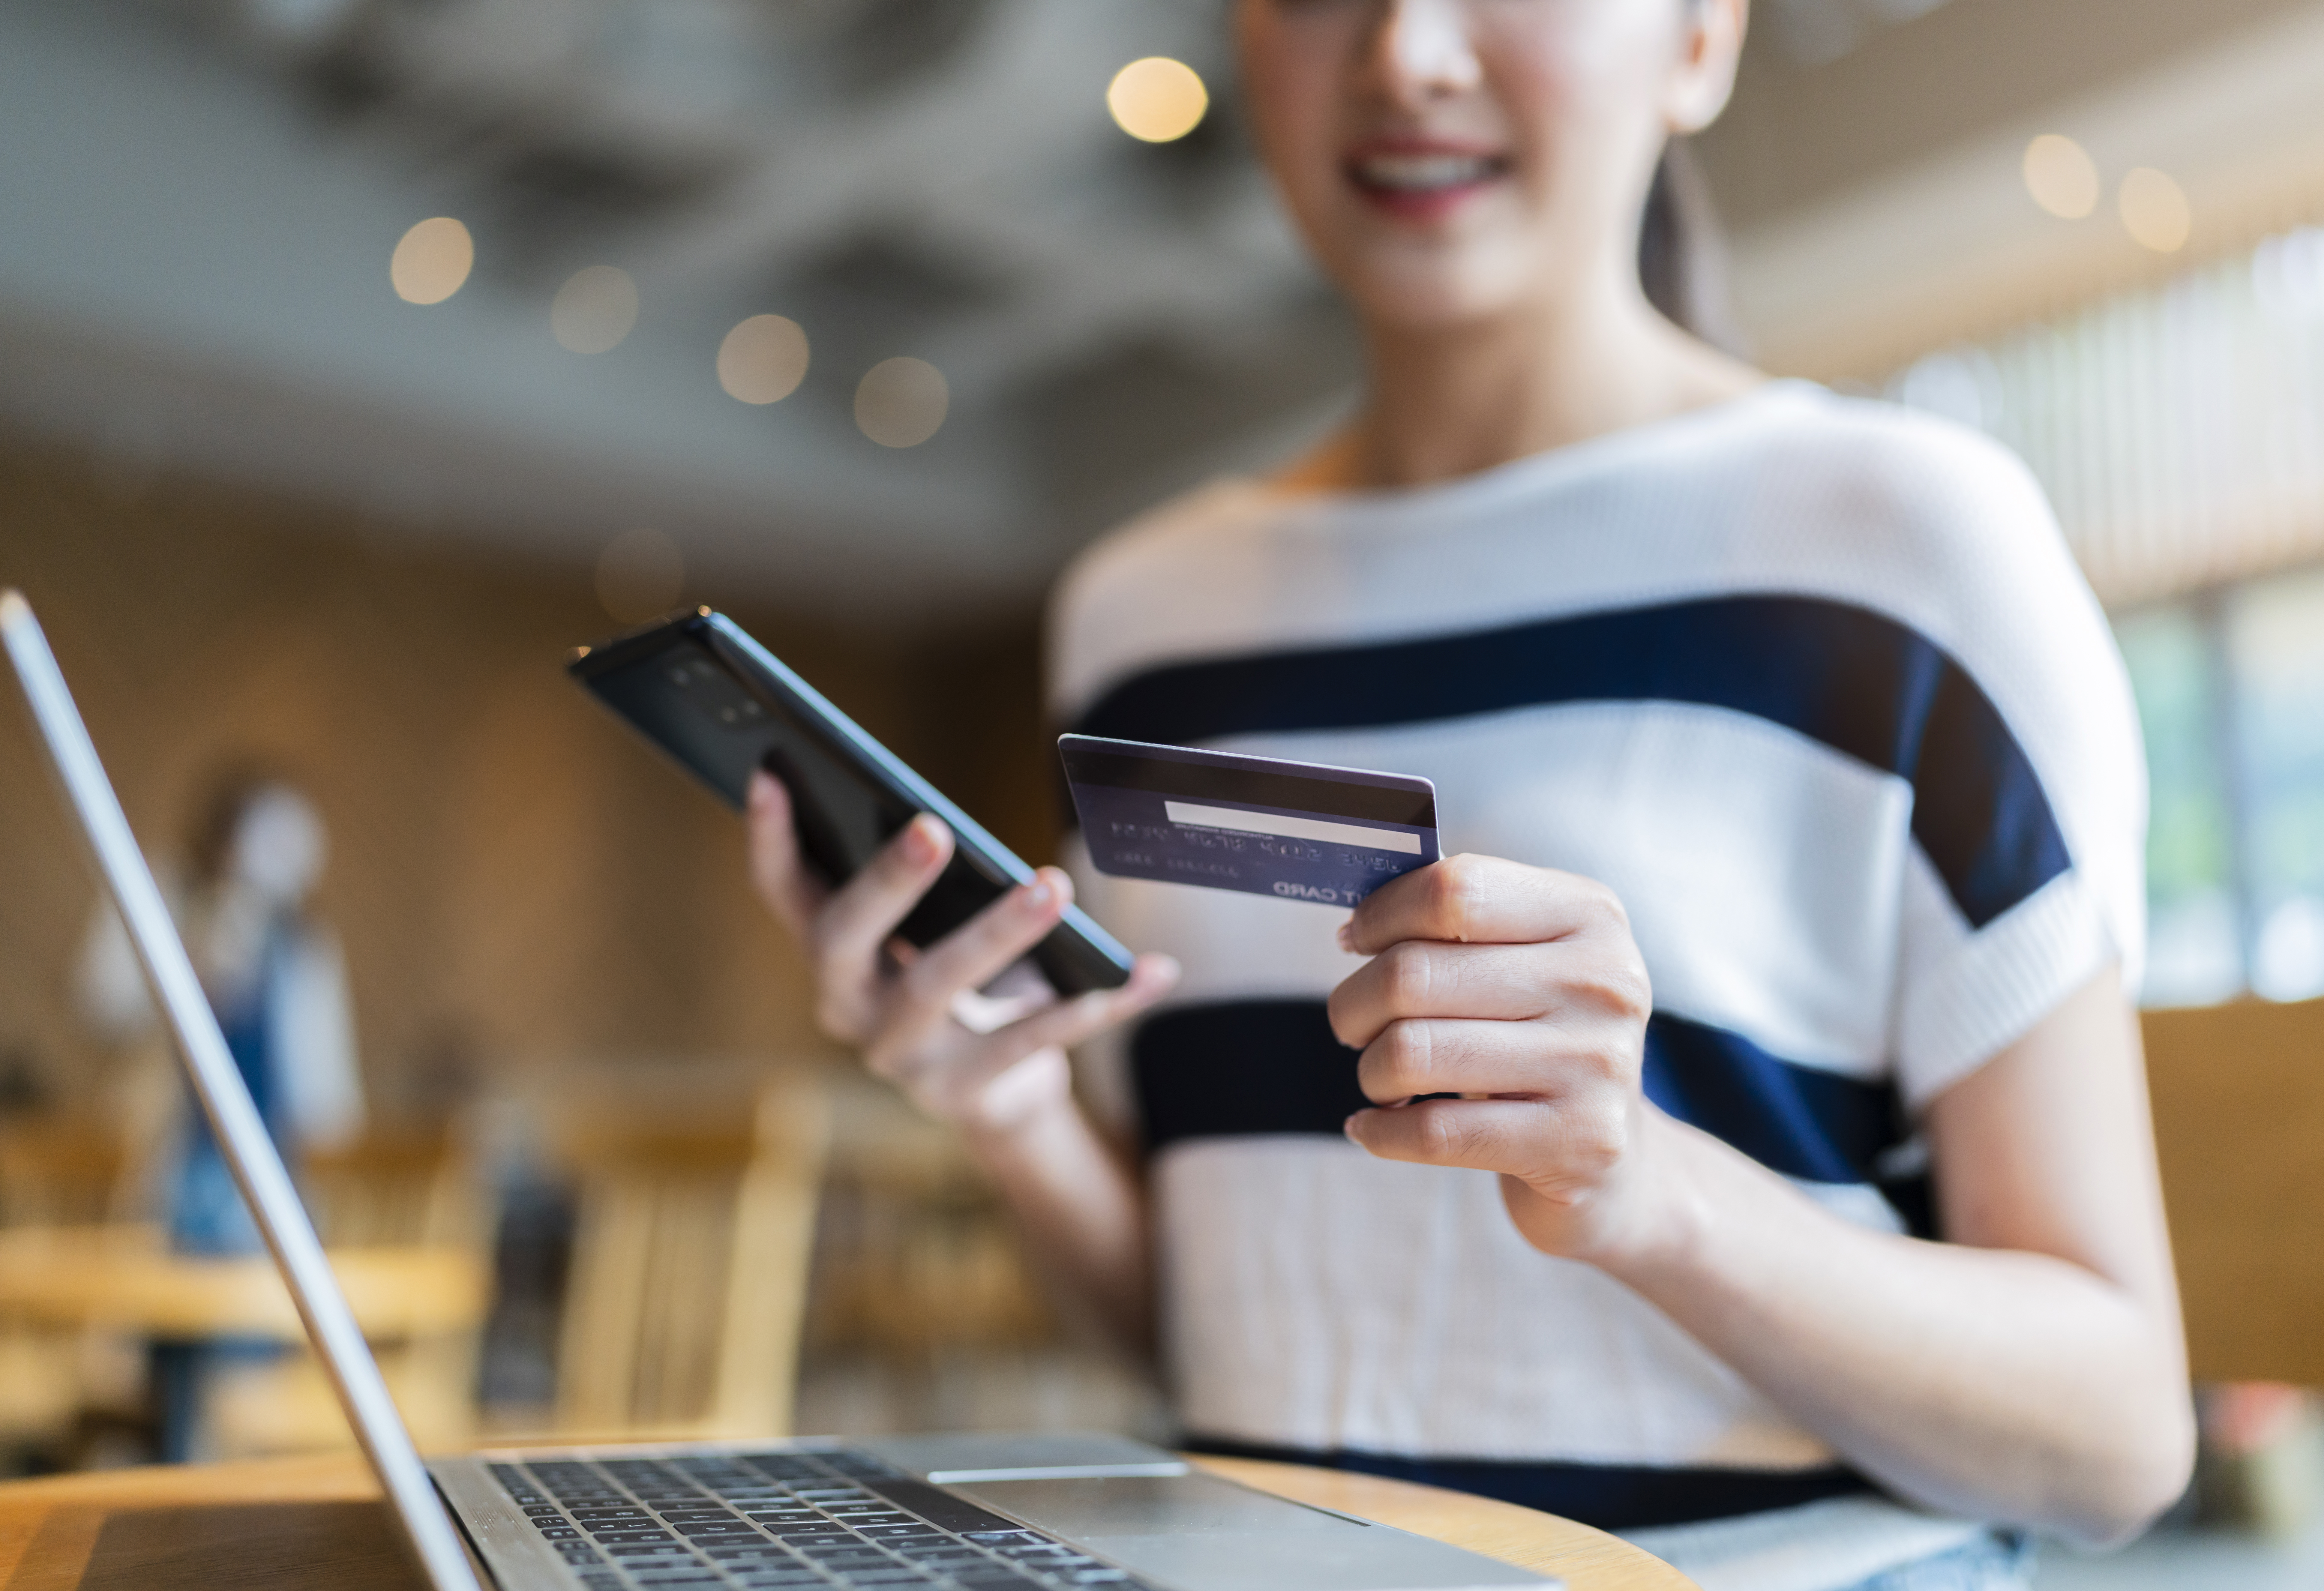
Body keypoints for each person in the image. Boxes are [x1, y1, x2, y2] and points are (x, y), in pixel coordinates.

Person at [744, 3, 2193, 1587]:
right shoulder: (1139, 620)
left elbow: (2115, 1440)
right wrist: (1017, 1118)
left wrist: (1649, 1191)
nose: (1406, 55)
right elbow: (1211, 1336)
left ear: (1701, 41)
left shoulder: (1911, 551)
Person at [78, 772, 364, 1254]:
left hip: (276, 1176)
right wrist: (190, 970)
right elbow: (99, 1003)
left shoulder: (305, 945)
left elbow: (328, 1086)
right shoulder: (163, 895)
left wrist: (337, 1167)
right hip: (165, 1162)